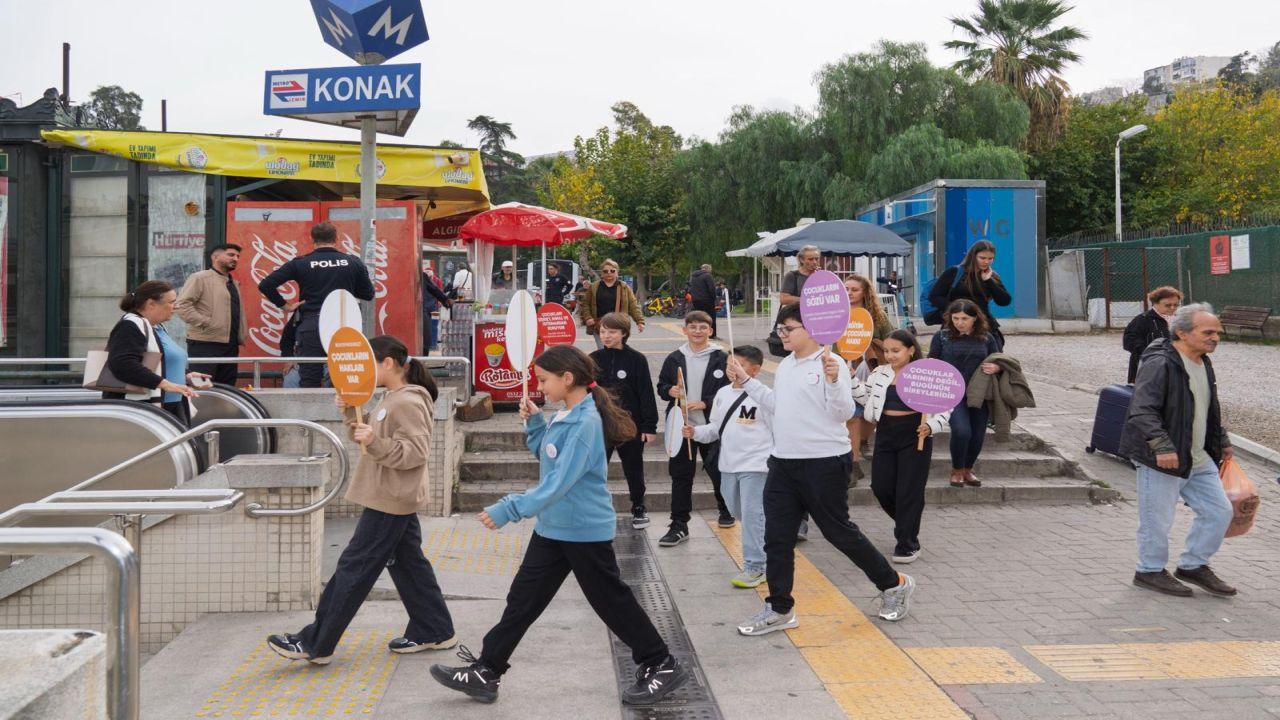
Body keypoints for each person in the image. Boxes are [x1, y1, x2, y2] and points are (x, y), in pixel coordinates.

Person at [430, 346, 689, 706]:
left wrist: (510, 508)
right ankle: (487, 669)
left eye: (544, 380)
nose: (540, 387)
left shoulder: (585, 422)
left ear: (568, 379)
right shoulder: (567, 414)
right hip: (555, 528)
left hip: (582, 530)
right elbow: (549, 461)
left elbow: (557, 484)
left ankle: (660, 662)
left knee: (610, 601)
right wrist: (536, 423)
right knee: (523, 600)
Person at [268, 336, 456, 663]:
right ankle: (435, 629)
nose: (365, 370)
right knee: (410, 566)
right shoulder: (392, 397)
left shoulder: (407, 402)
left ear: (387, 364)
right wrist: (351, 417)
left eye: (371, 363)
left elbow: (416, 453)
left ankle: (316, 642)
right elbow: (369, 438)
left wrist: (377, 442)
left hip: (390, 498)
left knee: (353, 569)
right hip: (390, 495)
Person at [732, 304, 915, 635]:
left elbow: (843, 412)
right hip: (783, 463)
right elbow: (779, 405)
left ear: (811, 330)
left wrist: (833, 381)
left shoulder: (832, 365)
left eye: (788, 329)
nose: (781, 335)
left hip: (824, 462)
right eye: (781, 329)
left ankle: (894, 583)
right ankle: (779, 608)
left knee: (838, 532)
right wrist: (747, 382)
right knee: (776, 537)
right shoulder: (786, 365)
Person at [1120, 304, 1237, 598]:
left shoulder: (1203, 361)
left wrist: (1221, 438)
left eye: (1217, 333)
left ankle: (1193, 565)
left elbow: (1206, 406)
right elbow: (1142, 409)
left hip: (1197, 456)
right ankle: (1149, 570)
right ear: (1183, 333)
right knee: (1156, 519)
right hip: (1163, 457)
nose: (1215, 338)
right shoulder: (1161, 362)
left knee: (1219, 512)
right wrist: (1161, 445)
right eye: (1208, 332)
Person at [856, 330, 952, 564]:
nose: (890, 355)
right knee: (880, 486)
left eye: (896, 351)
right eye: (887, 351)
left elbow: (945, 407)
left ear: (911, 349)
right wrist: (848, 379)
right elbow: (866, 400)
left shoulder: (926, 374)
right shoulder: (879, 373)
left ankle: (907, 542)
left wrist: (931, 426)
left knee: (909, 490)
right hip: (886, 433)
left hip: (916, 433)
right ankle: (907, 524)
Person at [684, 345, 773, 588]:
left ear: (755, 370)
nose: (732, 370)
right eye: (729, 365)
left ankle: (756, 566)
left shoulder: (764, 395)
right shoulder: (722, 393)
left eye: (739, 366)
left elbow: (779, 428)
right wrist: (695, 432)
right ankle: (770, 546)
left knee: (753, 516)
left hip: (756, 465)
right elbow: (714, 428)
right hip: (727, 465)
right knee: (739, 512)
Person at [258, 222, 375, 388]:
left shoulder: (300, 263)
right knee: (344, 377)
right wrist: (344, 288)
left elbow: (266, 285)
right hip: (344, 324)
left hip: (312, 324)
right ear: (336, 238)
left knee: (309, 378)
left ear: (312, 239)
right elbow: (368, 294)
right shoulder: (353, 262)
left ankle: (310, 414)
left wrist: (285, 306)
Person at [656, 311, 732, 546]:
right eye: (693, 327)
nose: (697, 331)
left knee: (718, 471)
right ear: (685, 330)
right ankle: (679, 524)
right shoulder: (675, 358)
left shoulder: (721, 357)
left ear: (710, 330)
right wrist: (670, 391)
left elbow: (729, 388)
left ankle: (726, 509)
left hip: (712, 426)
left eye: (703, 327)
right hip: (682, 426)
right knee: (680, 476)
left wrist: (706, 402)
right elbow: (661, 386)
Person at [591, 312, 659, 530]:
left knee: (633, 468)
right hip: (602, 424)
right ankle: (594, 507)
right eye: (603, 331)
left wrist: (649, 426)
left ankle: (638, 506)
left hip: (631, 424)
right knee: (596, 468)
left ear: (624, 333)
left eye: (612, 332)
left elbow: (646, 394)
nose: (606, 336)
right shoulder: (593, 358)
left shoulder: (637, 359)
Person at [103, 280, 203, 424]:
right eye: (171, 302)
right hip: (147, 410)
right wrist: (164, 384)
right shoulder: (130, 325)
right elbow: (122, 364)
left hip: (172, 404)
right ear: (151, 304)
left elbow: (161, 362)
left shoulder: (157, 327)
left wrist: (187, 375)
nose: (175, 307)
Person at [929, 299, 1001, 488]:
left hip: (979, 393)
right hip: (952, 393)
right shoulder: (941, 337)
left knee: (977, 434)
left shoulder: (987, 338)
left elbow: (1000, 359)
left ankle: (968, 469)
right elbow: (931, 363)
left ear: (975, 318)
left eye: (964, 318)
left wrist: (996, 367)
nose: (960, 322)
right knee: (962, 431)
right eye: (955, 318)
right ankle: (957, 470)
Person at [175, 243, 247, 386]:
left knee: (227, 388)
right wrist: (206, 322)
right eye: (231, 255)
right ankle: (196, 410)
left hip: (231, 345)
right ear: (215, 257)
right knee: (201, 387)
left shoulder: (233, 283)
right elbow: (181, 305)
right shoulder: (200, 278)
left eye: (238, 256)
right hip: (205, 343)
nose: (236, 258)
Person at [844, 274, 894, 463]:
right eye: (846, 289)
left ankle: (863, 442)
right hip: (844, 367)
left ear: (865, 292)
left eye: (854, 289)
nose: (849, 293)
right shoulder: (837, 313)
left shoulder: (877, 316)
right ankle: (852, 455)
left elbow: (892, 338)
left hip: (872, 366)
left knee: (869, 405)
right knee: (852, 413)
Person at [928, 240, 1012, 349]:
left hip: (984, 325)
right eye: (982, 258)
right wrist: (956, 311)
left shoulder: (991, 276)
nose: (986, 262)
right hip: (956, 326)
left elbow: (1005, 301)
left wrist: (989, 281)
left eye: (990, 258)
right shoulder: (954, 272)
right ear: (973, 256)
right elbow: (934, 296)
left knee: (991, 360)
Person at [580, 259, 644, 350]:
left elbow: (633, 306)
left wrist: (640, 321)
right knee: (603, 352)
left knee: (617, 351)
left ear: (617, 272)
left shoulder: (624, 287)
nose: (609, 273)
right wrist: (588, 317)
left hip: (618, 325)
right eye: (605, 271)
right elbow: (585, 304)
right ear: (602, 273)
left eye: (612, 271)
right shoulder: (594, 287)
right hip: (599, 325)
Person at [1123, 286, 1181, 384]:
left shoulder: (1180, 320)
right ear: (1155, 303)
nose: (1172, 308)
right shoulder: (1142, 320)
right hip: (1148, 370)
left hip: (1176, 367)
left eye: (1176, 305)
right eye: (1168, 305)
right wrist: (1152, 355)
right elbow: (1129, 342)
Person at [421, 262, 453, 355]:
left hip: (427, 308)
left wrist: (444, 300)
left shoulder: (423, 276)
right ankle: (428, 350)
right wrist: (445, 300)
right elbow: (435, 289)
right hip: (429, 308)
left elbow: (435, 289)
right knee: (428, 332)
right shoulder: (423, 276)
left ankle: (431, 346)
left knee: (430, 328)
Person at [688, 263, 719, 337]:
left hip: (696, 300)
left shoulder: (693, 277)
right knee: (711, 317)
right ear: (708, 269)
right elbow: (711, 289)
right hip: (707, 300)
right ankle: (712, 334)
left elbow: (691, 288)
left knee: (699, 318)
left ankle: (699, 333)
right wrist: (714, 298)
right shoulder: (707, 275)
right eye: (710, 269)